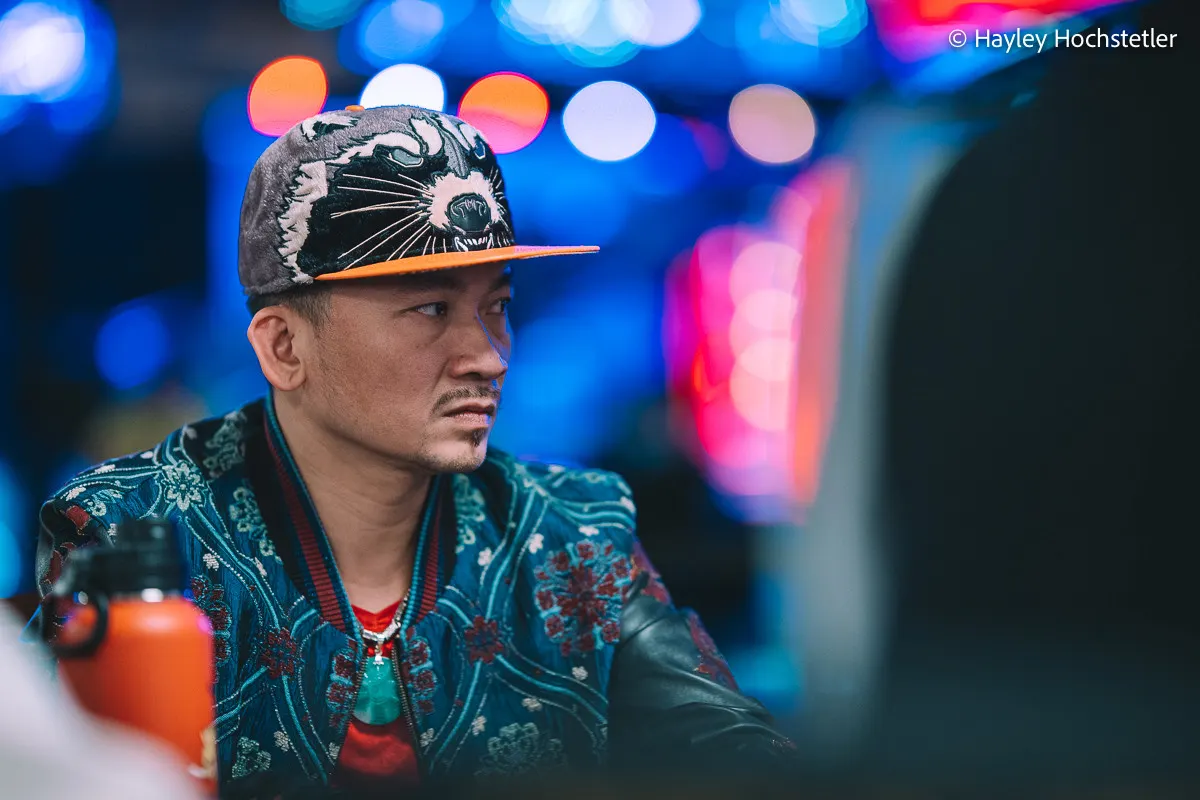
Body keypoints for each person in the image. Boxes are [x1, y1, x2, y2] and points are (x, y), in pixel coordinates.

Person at [30, 105, 794, 797]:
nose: (488, 356)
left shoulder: (569, 533)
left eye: (497, 306)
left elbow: (734, 752)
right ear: (284, 347)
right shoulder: (137, 531)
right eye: (431, 308)